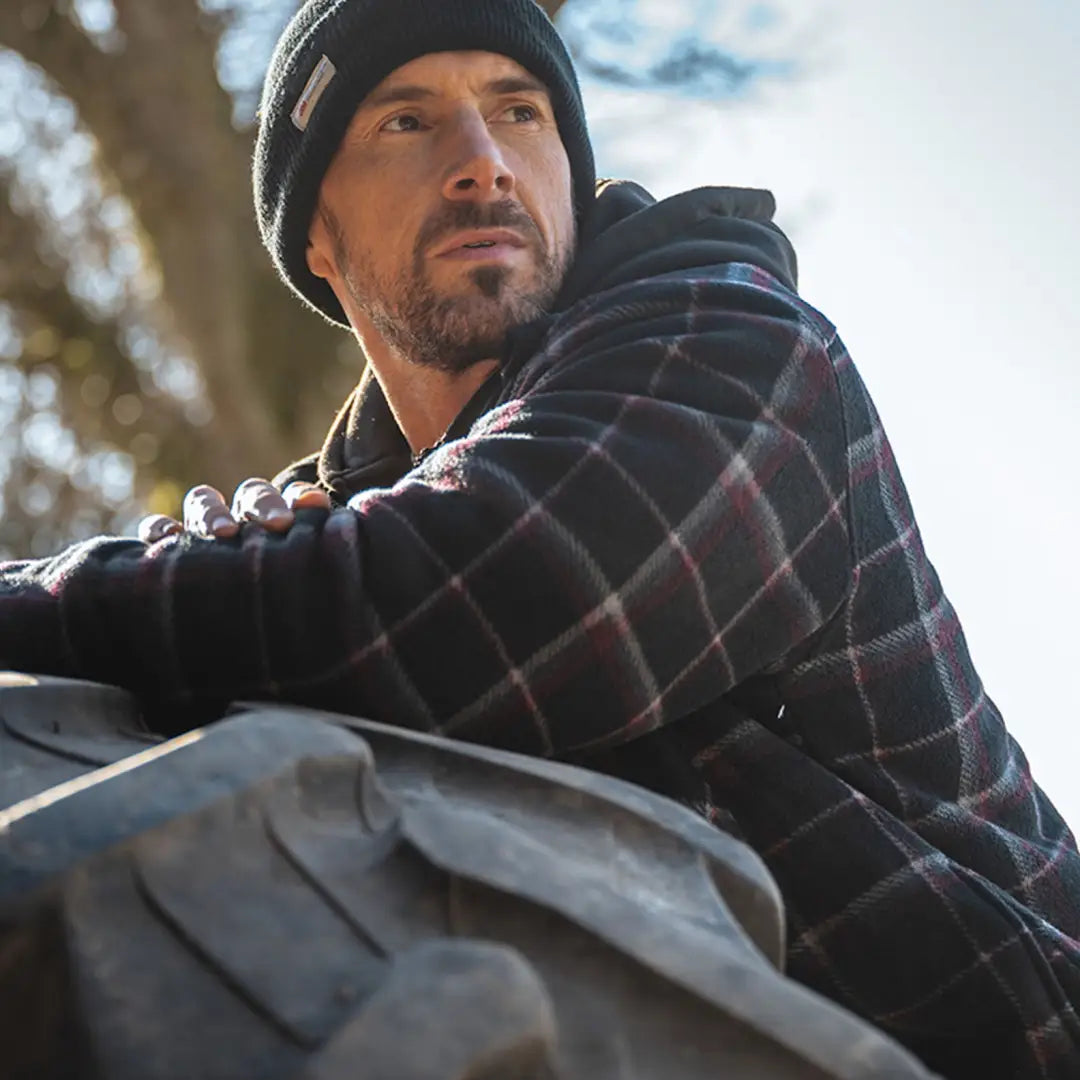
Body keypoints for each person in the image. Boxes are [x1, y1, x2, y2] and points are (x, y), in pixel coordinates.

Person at [2, 0, 1078, 1075]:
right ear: (314, 237)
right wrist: (218, 572)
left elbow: (485, 596)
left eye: (519, 112)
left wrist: (87, 601)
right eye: (406, 122)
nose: (482, 162)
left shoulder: (733, 345)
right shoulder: (332, 516)